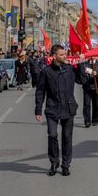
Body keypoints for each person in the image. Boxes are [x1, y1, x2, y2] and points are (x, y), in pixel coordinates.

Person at [35, 45, 85, 177]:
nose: (65, 56)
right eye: (62, 54)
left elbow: (82, 80)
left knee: (67, 138)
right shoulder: (46, 72)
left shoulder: (69, 69)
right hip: (52, 108)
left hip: (68, 108)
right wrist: (38, 110)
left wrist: (80, 64)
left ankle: (65, 165)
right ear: (55, 56)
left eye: (65, 54)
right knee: (52, 135)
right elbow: (40, 91)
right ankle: (54, 162)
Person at [80, 58, 98, 128]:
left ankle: (95, 120)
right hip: (87, 87)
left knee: (96, 104)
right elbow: (81, 73)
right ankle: (87, 121)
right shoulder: (85, 64)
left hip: (96, 87)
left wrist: (97, 74)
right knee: (86, 104)